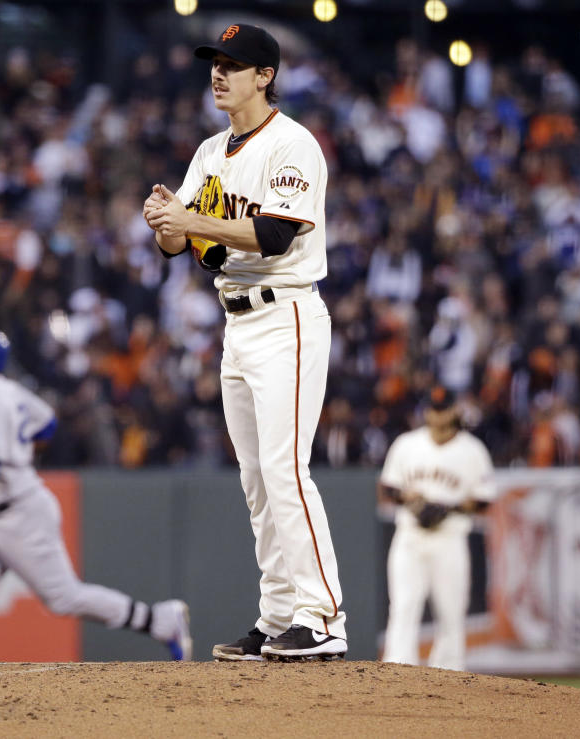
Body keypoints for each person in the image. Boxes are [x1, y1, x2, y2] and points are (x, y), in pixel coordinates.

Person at [144, 24, 348, 661]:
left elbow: (276, 234)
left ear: (266, 76)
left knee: (287, 471)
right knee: (258, 480)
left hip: (285, 313)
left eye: (234, 64)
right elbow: (194, 249)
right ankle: (279, 614)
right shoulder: (211, 151)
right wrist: (166, 226)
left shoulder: (292, 145)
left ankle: (323, 616)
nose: (219, 73)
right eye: (215, 62)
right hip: (237, 321)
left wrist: (188, 220)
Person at [0, 324, 192, 662]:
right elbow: (46, 424)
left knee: (64, 598)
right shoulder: (9, 390)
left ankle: (160, 621)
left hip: (18, 513)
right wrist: (20, 455)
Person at [378, 386, 497, 671]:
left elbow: (484, 499)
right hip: (410, 535)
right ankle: (398, 668)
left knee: (451, 611)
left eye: (444, 409)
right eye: (434, 408)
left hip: (449, 537)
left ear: (455, 410)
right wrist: (411, 499)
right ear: (427, 411)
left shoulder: (472, 450)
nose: (438, 415)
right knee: (404, 606)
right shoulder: (407, 444)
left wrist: (449, 507)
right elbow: (389, 487)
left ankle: (450, 672)